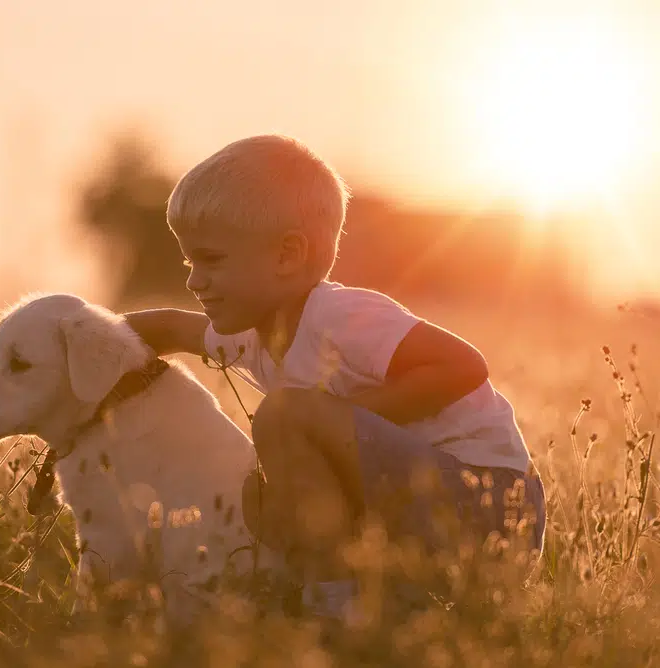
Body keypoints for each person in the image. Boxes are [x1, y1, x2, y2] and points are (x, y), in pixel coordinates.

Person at [123, 134, 546, 618]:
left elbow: (464, 365)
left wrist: (341, 418)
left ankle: (335, 611)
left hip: (492, 509)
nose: (194, 280)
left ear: (287, 255)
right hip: (423, 516)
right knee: (258, 494)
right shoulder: (249, 333)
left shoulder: (340, 317)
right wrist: (80, 340)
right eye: (188, 261)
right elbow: (172, 328)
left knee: (285, 417)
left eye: (211, 260)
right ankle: (360, 600)